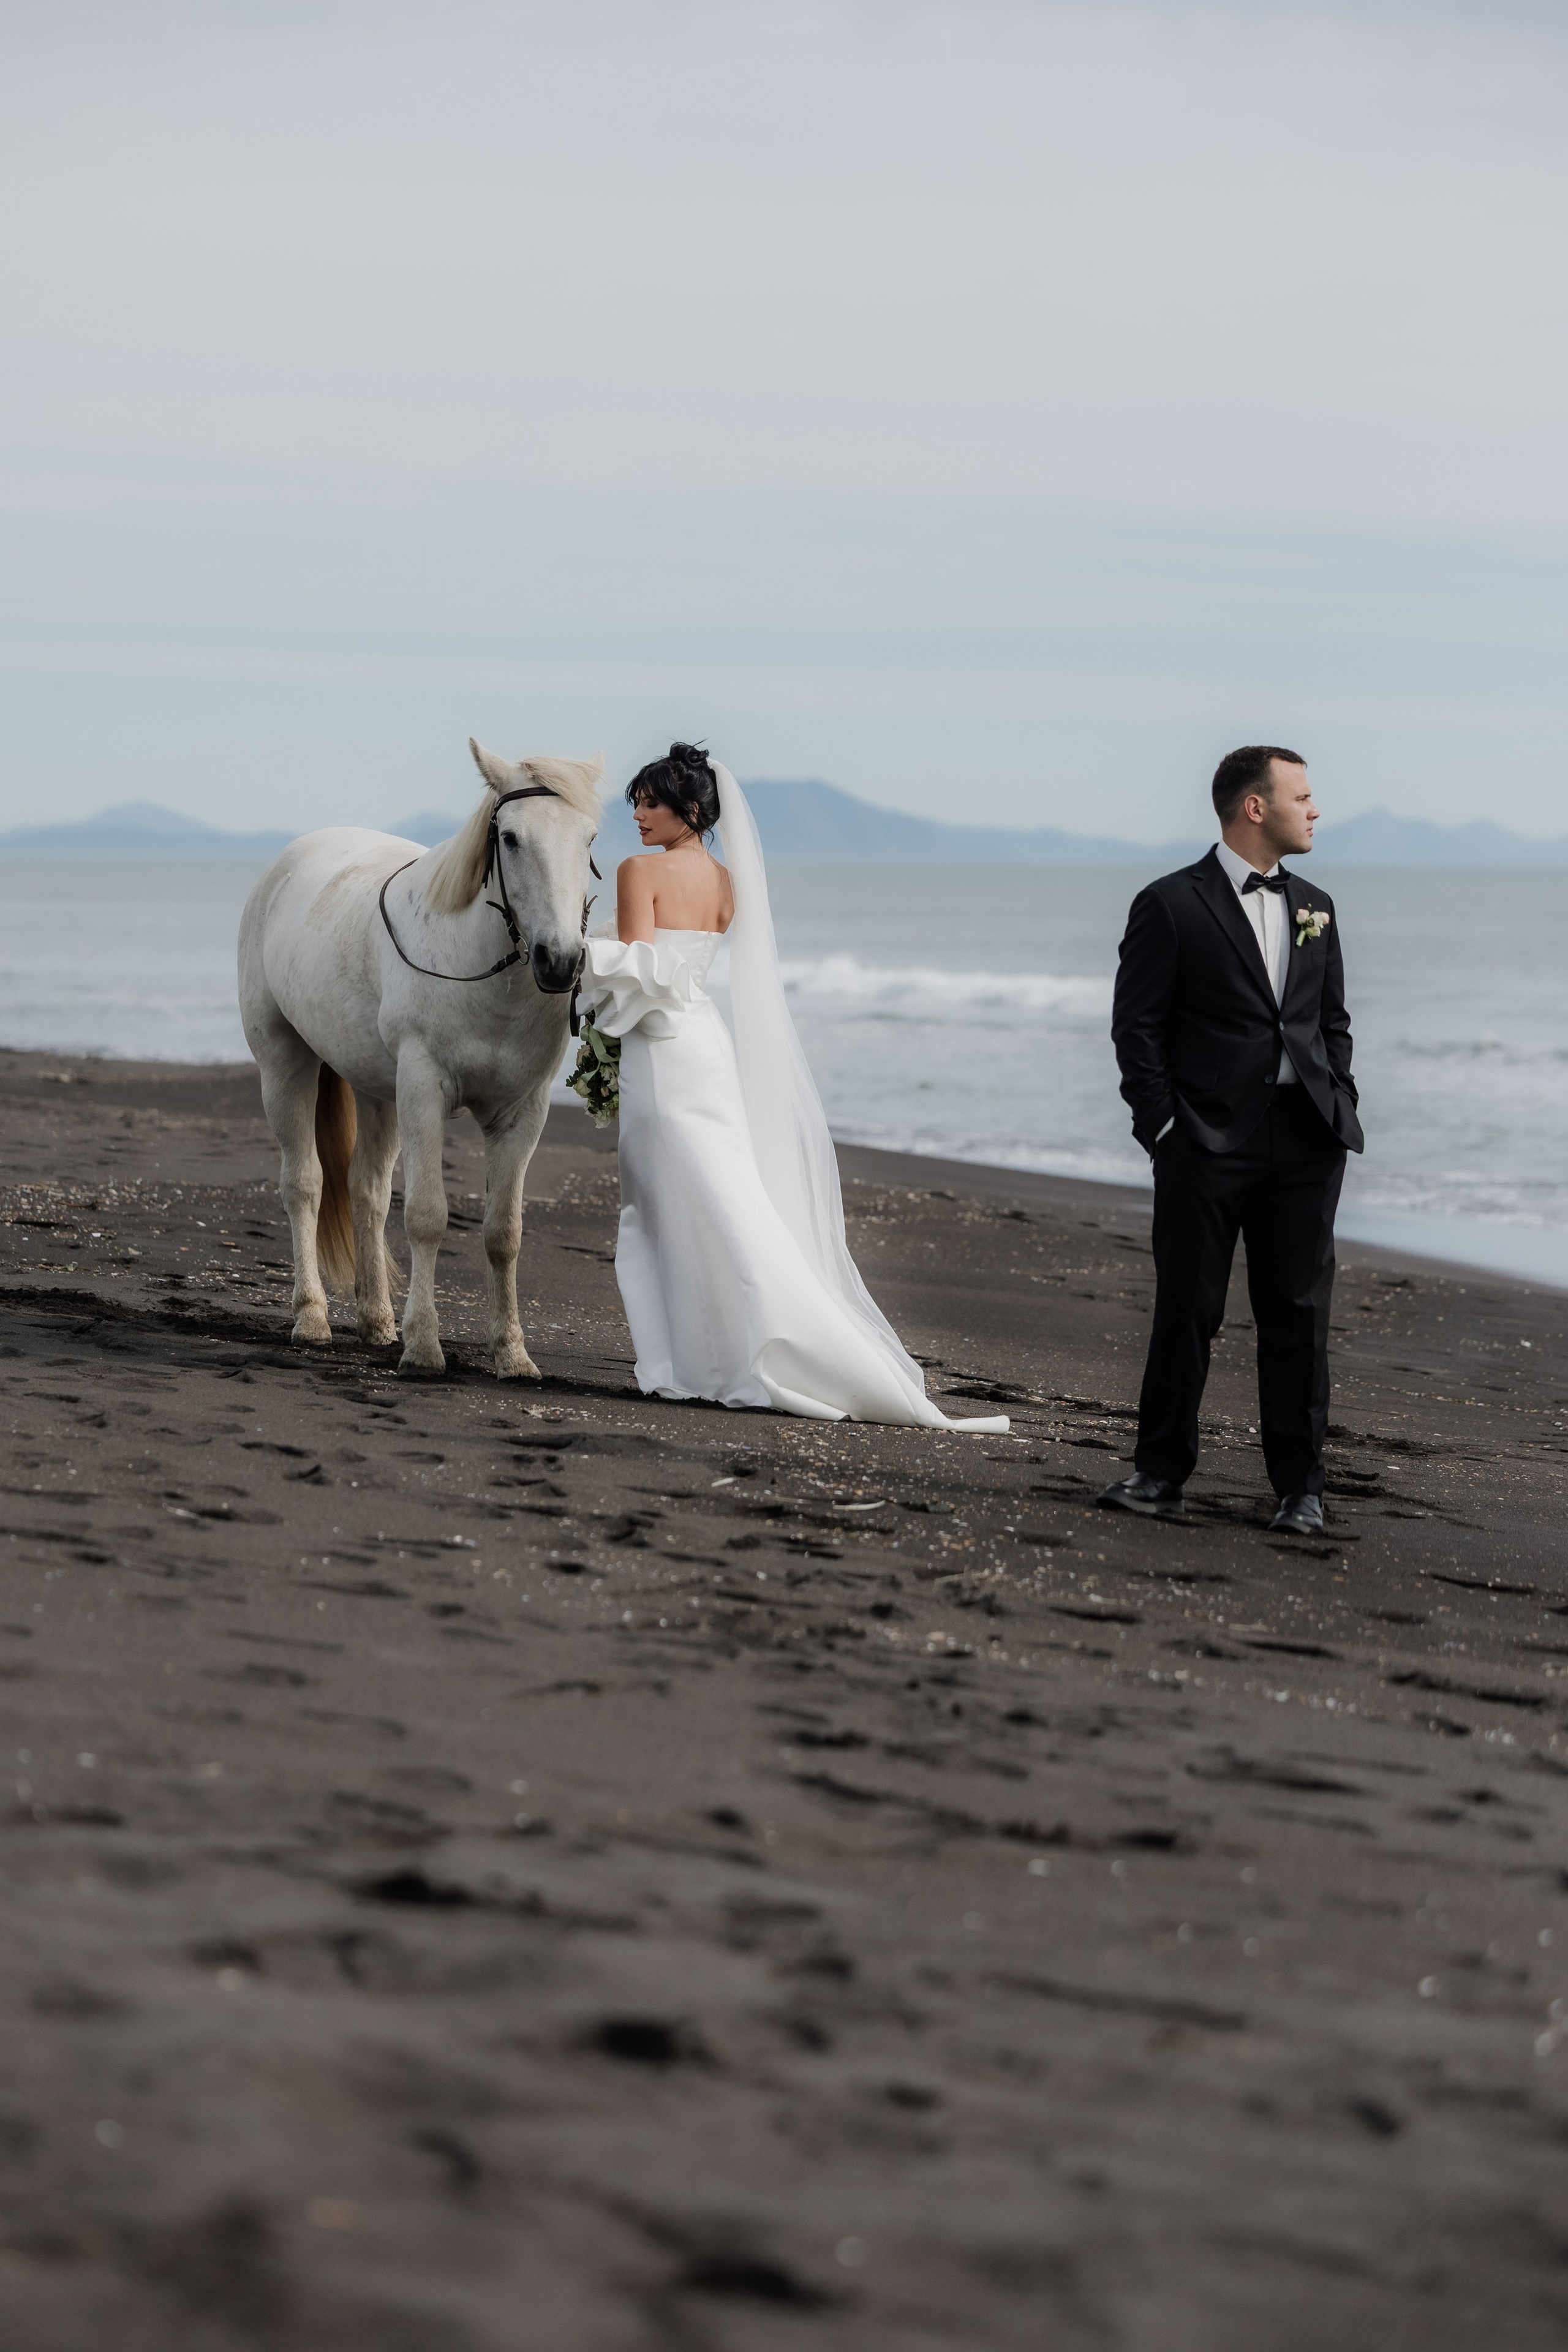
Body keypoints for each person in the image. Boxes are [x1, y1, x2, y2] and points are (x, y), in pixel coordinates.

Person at [576, 742, 1008, 1431]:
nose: (637, 814)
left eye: (651, 801)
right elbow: (679, 961)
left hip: (660, 1050)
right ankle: (735, 1349)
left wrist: (583, 962)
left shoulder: (637, 872)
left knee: (663, 1206)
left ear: (691, 809)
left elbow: (635, 976)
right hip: (707, 1046)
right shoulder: (726, 883)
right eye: (635, 801)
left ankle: (692, 1363)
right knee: (723, 1197)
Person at [1099, 745, 1362, 1534]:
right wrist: (1166, 1129)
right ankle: (1158, 1475)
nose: (1314, 810)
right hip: (1204, 1142)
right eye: (1302, 796)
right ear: (1256, 807)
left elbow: (1330, 1022)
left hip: (1305, 1140)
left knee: (1298, 1316)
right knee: (1187, 1309)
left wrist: (1338, 1096)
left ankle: (1300, 1492)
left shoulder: (1316, 903)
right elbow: (1135, 1028)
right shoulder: (1170, 903)